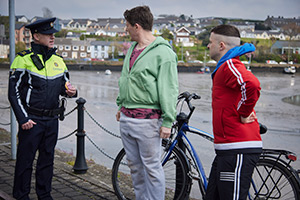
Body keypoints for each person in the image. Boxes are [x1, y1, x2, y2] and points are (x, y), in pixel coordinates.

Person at [8, 17, 77, 200]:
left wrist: (70, 91)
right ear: (36, 36)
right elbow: (13, 93)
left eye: (53, 34)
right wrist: (23, 119)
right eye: (48, 34)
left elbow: (64, 86)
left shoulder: (59, 61)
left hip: (52, 121)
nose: (52, 37)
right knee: (25, 161)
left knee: (47, 161)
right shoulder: (22, 60)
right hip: (32, 120)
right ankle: (21, 195)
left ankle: (44, 195)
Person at [115, 6, 178, 200]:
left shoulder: (164, 53)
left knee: (151, 168)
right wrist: (120, 104)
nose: (125, 30)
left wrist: (168, 121)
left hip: (148, 121)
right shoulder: (132, 48)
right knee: (134, 167)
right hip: (126, 117)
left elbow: (169, 89)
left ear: (137, 26)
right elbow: (126, 78)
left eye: (127, 26)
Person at [205, 24, 262, 200]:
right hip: (226, 148)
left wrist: (244, 112)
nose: (208, 46)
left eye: (210, 42)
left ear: (221, 45)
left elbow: (251, 84)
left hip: (237, 147)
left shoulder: (230, 64)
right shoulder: (225, 66)